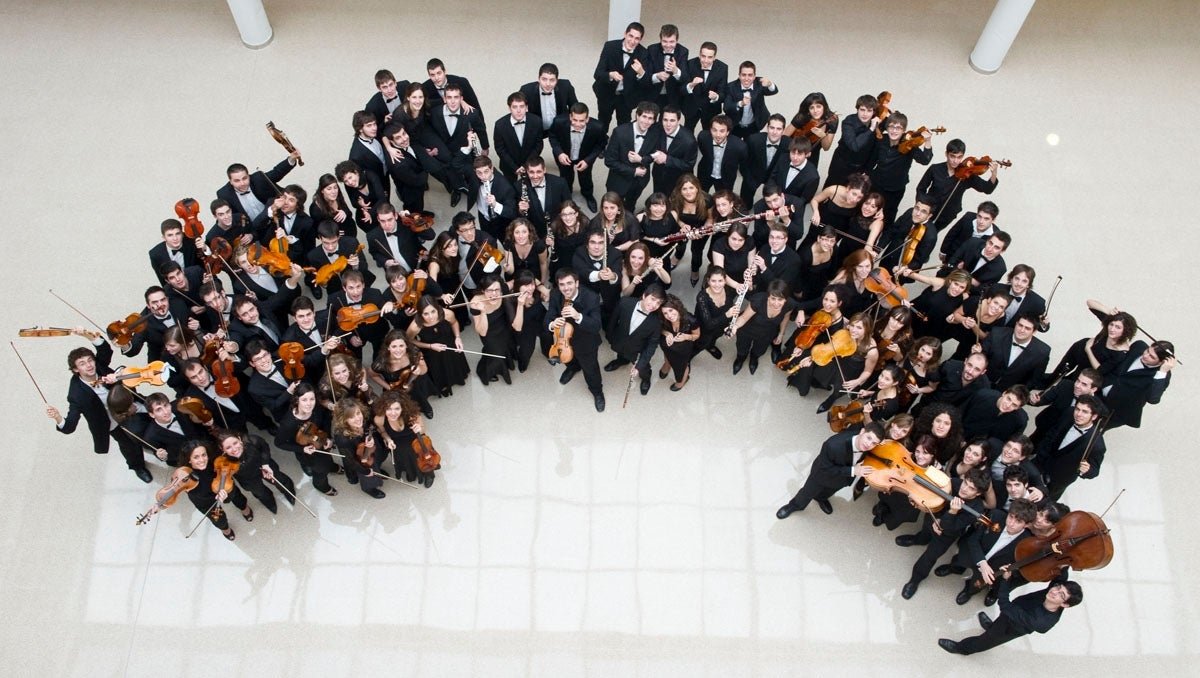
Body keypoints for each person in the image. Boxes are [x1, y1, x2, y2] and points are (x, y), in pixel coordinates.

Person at [46, 331, 153, 483]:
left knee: (151, 421)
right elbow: (69, 426)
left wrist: (87, 335)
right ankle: (137, 466)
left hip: (127, 404)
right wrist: (57, 417)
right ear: (76, 370)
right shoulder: (76, 394)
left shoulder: (100, 366)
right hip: (109, 421)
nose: (89, 366)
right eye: (82, 364)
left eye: (90, 361)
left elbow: (105, 350)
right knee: (129, 445)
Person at [899, 468, 991, 599]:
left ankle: (915, 580)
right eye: (966, 483)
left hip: (947, 534)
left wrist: (952, 512)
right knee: (924, 532)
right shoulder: (953, 483)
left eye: (971, 488)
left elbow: (951, 527)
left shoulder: (975, 510)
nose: (964, 488)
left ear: (978, 494)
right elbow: (933, 499)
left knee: (930, 556)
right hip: (933, 518)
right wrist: (936, 517)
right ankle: (919, 539)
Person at [938, 574, 1083, 655]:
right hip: (1011, 614)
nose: (1054, 591)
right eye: (1058, 587)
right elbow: (1062, 573)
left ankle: (961, 648)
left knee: (984, 641)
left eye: (1061, 595)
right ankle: (991, 625)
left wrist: (1006, 580)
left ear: (1065, 605)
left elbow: (1005, 605)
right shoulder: (1055, 592)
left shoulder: (1040, 622)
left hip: (1011, 627)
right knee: (999, 622)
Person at [937, 497, 1037, 606]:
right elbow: (973, 539)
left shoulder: (1027, 543)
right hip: (976, 553)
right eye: (1011, 516)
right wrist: (982, 562)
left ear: (1027, 524)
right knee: (960, 559)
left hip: (993, 568)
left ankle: (969, 591)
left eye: (1018, 521)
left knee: (977, 584)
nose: (1011, 523)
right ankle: (956, 568)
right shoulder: (996, 516)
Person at [776, 422, 885, 518]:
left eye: (874, 443)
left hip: (841, 479)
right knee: (807, 492)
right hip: (821, 475)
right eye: (868, 438)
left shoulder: (871, 447)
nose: (868, 444)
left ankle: (821, 498)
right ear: (862, 431)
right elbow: (825, 468)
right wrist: (853, 471)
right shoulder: (833, 445)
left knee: (829, 491)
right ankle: (794, 505)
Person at [547, 268, 606, 411]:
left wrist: (578, 316)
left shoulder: (591, 297)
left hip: (586, 341)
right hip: (563, 340)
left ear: (577, 283)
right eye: (562, 284)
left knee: (591, 369)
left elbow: (596, 325)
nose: (566, 288)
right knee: (568, 359)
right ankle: (573, 368)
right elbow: (549, 316)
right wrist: (552, 324)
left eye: (569, 283)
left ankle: (597, 392)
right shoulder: (555, 294)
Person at [168, 440, 251, 540]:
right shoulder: (185, 477)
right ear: (189, 460)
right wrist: (218, 495)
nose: (202, 460)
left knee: (236, 495)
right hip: (205, 499)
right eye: (196, 457)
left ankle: (243, 507)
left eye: (204, 455)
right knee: (218, 518)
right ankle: (225, 529)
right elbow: (197, 494)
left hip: (223, 485)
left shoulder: (214, 460)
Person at [916, 139, 1000, 230]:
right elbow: (921, 188)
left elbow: (987, 189)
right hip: (927, 210)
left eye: (959, 157)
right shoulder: (935, 169)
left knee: (930, 236)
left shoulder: (967, 174)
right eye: (952, 156)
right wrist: (920, 207)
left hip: (947, 215)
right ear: (946, 154)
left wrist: (994, 173)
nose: (955, 161)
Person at [867, 111, 933, 229]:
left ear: (904, 130)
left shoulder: (909, 145)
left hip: (895, 190)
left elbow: (925, 160)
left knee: (886, 218)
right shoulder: (882, 140)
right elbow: (872, 161)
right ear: (887, 127)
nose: (894, 130)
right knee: (868, 212)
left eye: (898, 128)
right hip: (876, 184)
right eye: (891, 126)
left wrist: (927, 141)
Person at [1035, 395, 1107, 500]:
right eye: (1077, 409)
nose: (1078, 414)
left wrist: (1087, 470)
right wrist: (1041, 453)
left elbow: (1094, 471)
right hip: (1039, 463)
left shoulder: (1097, 444)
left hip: (1056, 481)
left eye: (1085, 412)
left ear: (1094, 416)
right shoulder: (1069, 414)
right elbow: (1051, 434)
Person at [429, 84, 490, 208]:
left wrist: (485, 147)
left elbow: (481, 130)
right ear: (444, 99)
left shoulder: (471, 113)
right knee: (448, 173)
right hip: (443, 150)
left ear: (461, 99)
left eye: (456, 97)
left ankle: (468, 187)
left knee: (467, 171)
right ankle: (455, 190)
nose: (452, 101)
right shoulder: (435, 113)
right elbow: (430, 131)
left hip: (464, 150)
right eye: (449, 97)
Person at [273, 382, 339, 495]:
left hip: (321, 440)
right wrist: (302, 449)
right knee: (320, 470)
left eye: (311, 399)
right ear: (297, 400)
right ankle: (321, 486)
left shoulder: (316, 408)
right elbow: (279, 443)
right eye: (304, 400)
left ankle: (332, 467)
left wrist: (327, 437)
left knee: (327, 457)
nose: (309, 404)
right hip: (307, 451)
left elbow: (326, 420)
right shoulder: (288, 423)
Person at [215, 428, 295, 515]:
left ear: (239, 438)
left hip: (263, 467)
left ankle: (288, 492)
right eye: (228, 447)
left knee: (280, 480)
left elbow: (264, 447)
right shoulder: (223, 463)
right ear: (222, 449)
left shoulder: (252, 441)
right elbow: (225, 482)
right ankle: (269, 501)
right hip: (248, 479)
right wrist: (224, 494)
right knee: (260, 492)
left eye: (235, 443)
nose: (234, 449)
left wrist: (265, 463)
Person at [605, 284, 666, 397]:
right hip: (620, 341)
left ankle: (646, 380)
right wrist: (610, 337)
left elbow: (652, 346)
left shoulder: (657, 323)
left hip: (638, 351)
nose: (654, 305)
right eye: (653, 299)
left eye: (658, 303)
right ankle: (622, 361)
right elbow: (613, 321)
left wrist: (639, 365)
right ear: (644, 295)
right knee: (621, 354)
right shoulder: (624, 302)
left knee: (644, 370)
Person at [406, 296, 470, 398]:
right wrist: (430, 346)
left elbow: (454, 323)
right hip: (432, 352)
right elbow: (410, 340)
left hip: (450, 343)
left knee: (454, 363)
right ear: (420, 313)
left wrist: (457, 337)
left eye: (433, 312)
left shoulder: (448, 314)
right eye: (426, 314)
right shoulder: (415, 326)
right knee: (439, 369)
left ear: (437, 309)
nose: (431, 317)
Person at [729, 279, 797, 375]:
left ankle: (754, 359)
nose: (776, 303)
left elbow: (786, 317)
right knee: (742, 348)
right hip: (747, 330)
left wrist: (781, 334)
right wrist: (735, 326)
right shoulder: (758, 301)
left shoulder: (790, 304)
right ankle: (740, 359)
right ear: (768, 296)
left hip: (767, 333)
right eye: (773, 298)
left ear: (785, 299)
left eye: (780, 299)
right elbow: (744, 318)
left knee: (759, 350)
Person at [549, 102, 608, 212]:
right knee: (565, 176)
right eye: (575, 120)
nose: (577, 124)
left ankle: (588, 196)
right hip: (564, 155)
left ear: (587, 119)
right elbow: (553, 137)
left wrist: (588, 160)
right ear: (570, 116)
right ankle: (567, 196)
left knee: (586, 178)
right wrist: (559, 153)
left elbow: (601, 145)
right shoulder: (558, 122)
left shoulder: (598, 127)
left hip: (585, 156)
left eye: (581, 120)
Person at [591, 21, 650, 130]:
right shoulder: (610, 46)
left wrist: (641, 72)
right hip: (606, 93)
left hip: (626, 98)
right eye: (630, 36)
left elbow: (646, 83)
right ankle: (601, 145)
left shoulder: (643, 53)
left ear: (640, 40)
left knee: (624, 128)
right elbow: (598, 74)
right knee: (602, 125)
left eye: (637, 38)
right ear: (625, 34)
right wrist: (610, 74)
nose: (632, 41)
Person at [604, 101, 662, 210]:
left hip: (640, 181)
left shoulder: (655, 133)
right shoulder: (620, 132)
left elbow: (656, 154)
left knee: (631, 205)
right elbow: (609, 161)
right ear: (637, 115)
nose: (646, 121)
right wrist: (633, 172)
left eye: (650, 118)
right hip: (618, 181)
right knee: (614, 207)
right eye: (644, 116)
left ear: (654, 120)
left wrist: (642, 159)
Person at [373, 389, 434, 487]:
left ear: (403, 408)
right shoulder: (379, 419)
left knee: (424, 458)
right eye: (388, 409)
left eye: (397, 409)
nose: (393, 413)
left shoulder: (412, 415)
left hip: (417, 443)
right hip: (399, 447)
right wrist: (388, 440)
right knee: (406, 460)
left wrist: (419, 429)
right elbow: (383, 431)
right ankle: (412, 472)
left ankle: (429, 475)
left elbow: (422, 429)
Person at [976, 313, 1052, 390]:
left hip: (1010, 394)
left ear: (1034, 331)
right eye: (1020, 325)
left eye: (1027, 328)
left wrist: (1017, 395)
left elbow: (1034, 380)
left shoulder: (1042, 352)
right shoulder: (997, 333)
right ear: (1016, 324)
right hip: (982, 384)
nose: (1022, 330)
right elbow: (981, 356)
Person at [215, 155, 300, 222]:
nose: (242, 183)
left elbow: (277, 172)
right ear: (230, 182)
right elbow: (232, 217)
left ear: (249, 176)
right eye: (237, 181)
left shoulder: (258, 178)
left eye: (245, 178)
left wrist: (291, 159)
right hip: (255, 230)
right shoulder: (224, 194)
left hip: (277, 219)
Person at [1028, 368, 1102, 445]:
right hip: (1045, 428)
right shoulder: (1065, 385)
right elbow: (1043, 399)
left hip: (1063, 438)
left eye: (1084, 384)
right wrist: (1035, 401)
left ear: (1093, 389)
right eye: (1078, 381)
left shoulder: (1097, 407)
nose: (1077, 385)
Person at [467, 273, 516, 386]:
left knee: (505, 346)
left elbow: (515, 281)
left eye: (496, 290)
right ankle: (487, 372)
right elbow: (482, 332)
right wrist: (483, 312)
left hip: (503, 327)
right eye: (489, 290)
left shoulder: (502, 290)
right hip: (488, 333)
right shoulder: (476, 302)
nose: (494, 294)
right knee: (496, 355)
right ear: (483, 290)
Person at [332, 398, 386, 499]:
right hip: (358, 461)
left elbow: (372, 429)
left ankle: (377, 470)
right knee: (367, 475)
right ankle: (369, 489)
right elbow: (351, 461)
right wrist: (366, 472)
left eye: (358, 413)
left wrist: (371, 439)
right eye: (351, 417)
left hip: (369, 452)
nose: (358, 418)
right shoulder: (341, 438)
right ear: (344, 420)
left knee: (378, 456)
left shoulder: (364, 419)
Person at [824, 94, 879, 187]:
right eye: (862, 110)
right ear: (857, 109)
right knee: (831, 189)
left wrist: (867, 171)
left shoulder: (877, 124)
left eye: (869, 111)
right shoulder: (848, 122)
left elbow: (874, 150)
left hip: (860, 168)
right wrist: (871, 129)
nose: (865, 114)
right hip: (841, 165)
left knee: (851, 196)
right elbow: (854, 146)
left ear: (874, 112)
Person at [381, 124, 435, 213]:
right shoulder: (400, 164)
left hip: (408, 181)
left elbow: (383, 135)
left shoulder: (391, 147)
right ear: (391, 141)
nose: (404, 138)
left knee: (418, 207)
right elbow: (417, 180)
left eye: (404, 133)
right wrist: (427, 167)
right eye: (398, 138)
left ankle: (420, 212)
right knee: (414, 210)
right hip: (411, 192)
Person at [492, 91, 544, 184]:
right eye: (515, 107)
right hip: (509, 165)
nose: (519, 110)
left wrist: (526, 165)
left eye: (522, 106)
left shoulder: (536, 121)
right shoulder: (500, 125)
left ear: (526, 107)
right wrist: (514, 167)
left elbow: (538, 145)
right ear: (509, 108)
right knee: (510, 192)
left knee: (531, 191)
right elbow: (500, 149)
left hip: (530, 163)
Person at [741, 114, 789, 206]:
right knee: (745, 202)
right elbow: (744, 162)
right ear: (767, 128)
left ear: (783, 130)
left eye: (778, 129)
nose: (774, 132)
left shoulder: (788, 144)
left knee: (773, 204)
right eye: (772, 128)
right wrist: (747, 178)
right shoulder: (753, 140)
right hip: (754, 173)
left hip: (773, 177)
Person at [722, 60, 778, 140]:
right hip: (735, 125)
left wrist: (769, 84)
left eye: (750, 75)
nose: (746, 78)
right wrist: (740, 103)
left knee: (752, 147)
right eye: (743, 75)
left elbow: (774, 91)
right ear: (739, 75)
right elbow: (726, 108)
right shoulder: (731, 87)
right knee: (734, 148)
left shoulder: (759, 83)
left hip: (754, 125)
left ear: (754, 76)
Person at [517, 157, 570, 239]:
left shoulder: (560, 183)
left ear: (544, 170)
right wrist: (521, 210)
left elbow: (568, 205)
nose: (535, 176)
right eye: (531, 172)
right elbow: (516, 214)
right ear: (527, 171)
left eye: (539, 172)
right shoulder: (518, 186)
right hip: (535, 229)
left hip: (557, 226)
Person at [649, 106, 698, 196]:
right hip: (659, 174)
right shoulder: (657, 128)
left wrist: (666, 159)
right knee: (658, 201)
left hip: (678, 179)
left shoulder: (689, 141)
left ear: (678, 121)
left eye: (672, 120)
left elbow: (688, 165)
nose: (668, 124)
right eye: (665, 120)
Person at [520, 62, 579, 135]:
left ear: (557, 80)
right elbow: (519, 110)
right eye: (544, 79)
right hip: (538, 128)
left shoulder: (566, 86)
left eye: (552, 80)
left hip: (560, 127)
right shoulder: (526, 90)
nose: (548, 84)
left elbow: (575, 107)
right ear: (538, 79)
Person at [784, 92, 839, 169]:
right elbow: (784, 136)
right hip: (794, 148)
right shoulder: (802, 116)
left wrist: (823, 135)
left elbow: (826, 148)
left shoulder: (832, 119)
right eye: (811, 107)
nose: (815, 110)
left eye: (818, 106)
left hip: (813, 151)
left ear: (824, 107)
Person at [682, 41, 727, 134]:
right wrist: (691, 84)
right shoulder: (690, 64)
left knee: (709, 137)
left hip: (711, 109)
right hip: (691, 107)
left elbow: (723, 92)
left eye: (710, 57)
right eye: (703, 56)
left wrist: (716, 97)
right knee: (686, 134)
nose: (706, 60)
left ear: (714, 57)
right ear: (699, 54)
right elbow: (681, 89)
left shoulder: (723, 68)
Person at [656, 294, 700, 390]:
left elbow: (697, 335)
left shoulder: (691, 320)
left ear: (677, 307)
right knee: (667, 353)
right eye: (665, 313)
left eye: (671, 310)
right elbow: (660, 329)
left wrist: (686, 336)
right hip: (667, 343)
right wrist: (667, 334)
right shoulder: (662, 318)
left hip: (683, 347)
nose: (669, 316)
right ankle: (667, 364)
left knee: (681, 366)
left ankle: (681, 381)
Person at [693, 265, 737, 360]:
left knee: (715, 337)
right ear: (708, 281)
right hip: (704, 329)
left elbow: (731, 305)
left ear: (725, 281)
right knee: (700, 344)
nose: (717, 285)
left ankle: (710, 346)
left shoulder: (728, 291)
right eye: (713, 281)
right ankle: (689, 357)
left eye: (720, 281)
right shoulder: (702, 297)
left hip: (720, 326)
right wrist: (727, 315)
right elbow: (708, 324)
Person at [470, 155, 517, 241]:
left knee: (506, 243)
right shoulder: (474, 177)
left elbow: (512, 212)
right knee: (488, 244)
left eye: (486, 171)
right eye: (479, 173)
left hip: (501, 222)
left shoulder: (506, 187)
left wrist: (496, 205)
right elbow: (456, 165)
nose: (483, 176)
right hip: (483, 217)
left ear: (492, 169)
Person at [939, 200, 999, 266]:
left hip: (969, 264)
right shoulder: (968, 218)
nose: (981, 221)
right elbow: (952, 234)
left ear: (993, 220)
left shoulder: (995, 235)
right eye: (979, 216)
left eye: (986, 219)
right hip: (953, 254)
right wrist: (943, 251)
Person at [696, 114, 746, 193]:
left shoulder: (739, 147)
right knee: (701, 195)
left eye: (722, 131)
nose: (717, 135)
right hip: (705, 173)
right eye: (714, 130)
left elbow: (742, 162)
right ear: (710, 130)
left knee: (723, 200)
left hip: (726, 178)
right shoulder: (703, 137)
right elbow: (703, 151)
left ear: (728, 132)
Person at [945, 230, 1011, 289]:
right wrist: (970, 280)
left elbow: (982, 289)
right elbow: (951, 263)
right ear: (987, 240)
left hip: (969, 292)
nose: (990, 249)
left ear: (1002, 251)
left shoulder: (1000, 269)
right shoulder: (972, 243)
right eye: (990, 243)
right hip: (950, 278)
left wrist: (960, 271)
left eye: (996, 247)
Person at [961, 386, 1030, 443]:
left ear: (1018, 408)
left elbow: (1010, 443)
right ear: (1004, 393)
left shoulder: (1020, 421)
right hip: (961, 434)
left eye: (1014, 405)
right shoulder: (982, 395)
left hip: (986, 451)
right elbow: (960, 413)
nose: (1008, 405)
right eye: (1008, 399)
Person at [511, 271, 549, 372]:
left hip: (540, 318)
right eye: (526, 285)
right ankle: (523, 365)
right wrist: (520, 305)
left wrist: (544, 293)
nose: (530, 288)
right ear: (518, 286)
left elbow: (547, 295)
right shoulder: (511, 302)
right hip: (525, 328)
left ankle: (547, 354)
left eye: (532, 284)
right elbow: (517, 327)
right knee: (526, 351)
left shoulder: (535, 292)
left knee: (547, 339)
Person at [644, 24, 690, 108]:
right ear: (660, 39)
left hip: (672, 97)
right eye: (665, 41)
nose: (668, 45)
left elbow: (685, 78)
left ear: (677, 40)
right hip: (652, 94)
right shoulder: (652, 49)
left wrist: (676, 70)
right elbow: (646, 75)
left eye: (671, 42)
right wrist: (657, 76)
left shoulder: (683, 51)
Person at [148, 219, 202, 285]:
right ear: (164, 237)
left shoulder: (192, 242)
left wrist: (205, 248)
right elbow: (163, 281)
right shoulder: (155, 254)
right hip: (177, 290)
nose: (175, 238)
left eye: (178, 233)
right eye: (170, 235)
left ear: (182, 234)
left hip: (198, 283)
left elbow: (205, 263)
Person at [309, 173, 357, 240]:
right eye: (329, 189)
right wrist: (331, 234)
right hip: (334, 240)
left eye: (335, 187)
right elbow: (317, 231)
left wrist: (344, 212)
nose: (333, 191)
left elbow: (349, 214)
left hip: (351, 235)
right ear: (322, 191)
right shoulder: (315, 209)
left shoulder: (338, 197)